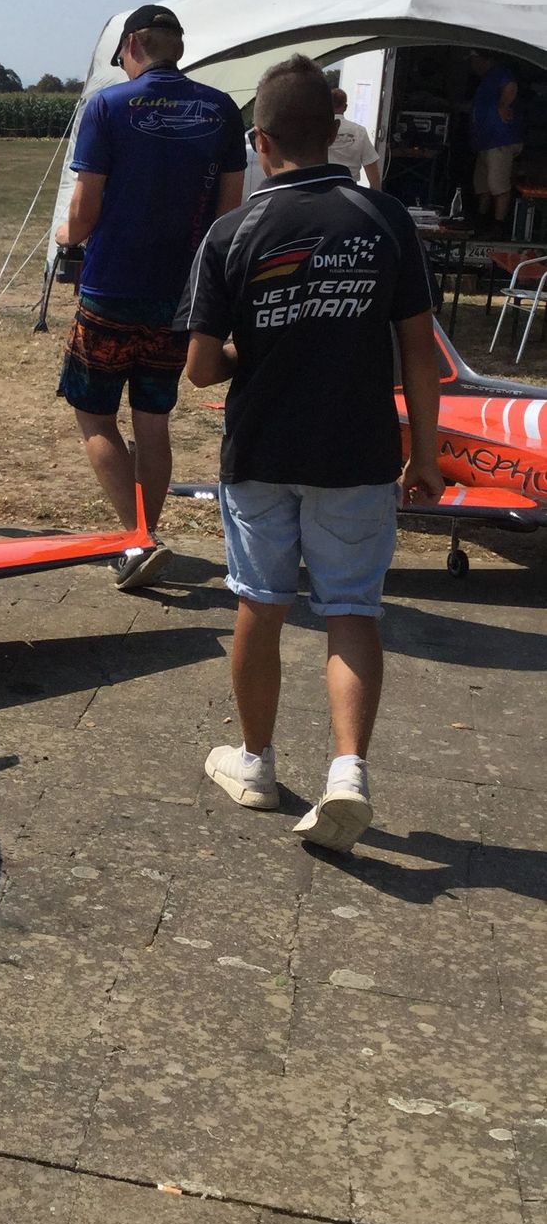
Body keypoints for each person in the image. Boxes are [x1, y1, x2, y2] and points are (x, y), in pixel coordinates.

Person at [179, 53, 442, 853]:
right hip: (358, 451)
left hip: (261, 450)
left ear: (260, 142)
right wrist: (426, 455)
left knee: (260, 603)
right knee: (352, 610)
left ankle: (255, 763)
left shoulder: (232, 232)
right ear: (335, 132)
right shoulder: (385, 219)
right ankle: (348, 772)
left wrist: (253, 351)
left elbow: (199, 368)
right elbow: (418, 351)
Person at [54, 3, 246, 588]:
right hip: (179, 296)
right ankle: (146, 535)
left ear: (133, 45)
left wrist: (65, 234)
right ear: (176, 47)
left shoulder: (107, 106)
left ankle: (138, 538)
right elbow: (230, 212)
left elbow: (84, 209)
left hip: (111, 289)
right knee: (153, 423)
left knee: (94, 416)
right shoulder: (221, 108)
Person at [468, 49, 521, 232]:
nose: (473, 65)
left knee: (498, 184)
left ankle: (498, 226)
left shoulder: (500, 73)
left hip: (499, 140)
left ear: (487, 59)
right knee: (482, 184)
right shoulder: (486, 80)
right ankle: (481, 220)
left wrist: (504, 106)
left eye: (475, 60)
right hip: (485, 141)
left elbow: (510, 86)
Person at [327, 87, 381, 187]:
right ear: (345, 107)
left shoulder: (317, 130)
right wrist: (377, 192)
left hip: (322, 186)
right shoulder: (359, 131)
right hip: (349, 187)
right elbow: (371, 167)